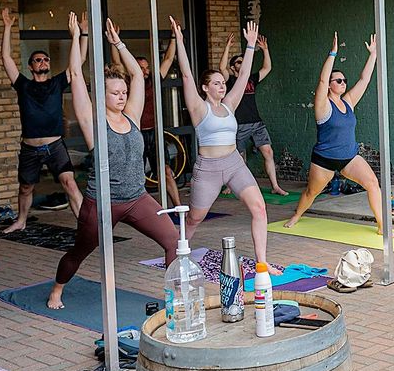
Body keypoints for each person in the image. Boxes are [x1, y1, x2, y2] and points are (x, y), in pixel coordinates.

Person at [46, 14, 182, 309]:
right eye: (115, 93)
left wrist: (118, 43)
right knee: (79, 252)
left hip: (137, 198)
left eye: (123, 92)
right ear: (102, 94)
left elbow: (137, 74)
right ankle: (57, 288)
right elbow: (76, 75)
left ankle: (175, 297)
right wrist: (76, 38)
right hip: (101, 203)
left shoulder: (131, 115)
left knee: (174, 240)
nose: (122, 97)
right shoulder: (92, 121)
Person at [170, 16, 277, 271]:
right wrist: (180, 42)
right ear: (205, 88)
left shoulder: (229, 105)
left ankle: (262, 262)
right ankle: (174, 259)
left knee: (259, 208)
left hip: (234, 164)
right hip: (208, 168)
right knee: (195, 218)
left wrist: (251, 46)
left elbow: (241, 80)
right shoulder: (199, 108)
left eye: (222, 82)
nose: (222, 86)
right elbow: (185, 75)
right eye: (216, 83)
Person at [284, 32, 387, 234]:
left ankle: (382, 225)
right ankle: (297, 215)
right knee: (311, 192)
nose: (342, 83)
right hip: (324, 160)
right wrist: (333, 53)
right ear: (330, 85)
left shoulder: (348, 102)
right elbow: (322, 82)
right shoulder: (323, 106)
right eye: (338, 80)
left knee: (373, 183)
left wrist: (373, 54)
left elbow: (364, 80)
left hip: (349, 156)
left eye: (344, 80)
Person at [0, 7, 85, 232]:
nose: (43, 62)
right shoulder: (23, 85)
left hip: (55, 145)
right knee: (26, 188)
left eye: (46, 59)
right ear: (31, 66)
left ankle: (86, 226)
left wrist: (80, 35)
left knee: (70, 183)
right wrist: (8, 27)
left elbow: (78, 63)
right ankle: (21, 220)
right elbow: (6, 58)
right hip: (30, 147)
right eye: (38, 60)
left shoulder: (57, 82)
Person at [113, 40, 183, 212]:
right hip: (135, 134)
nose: (144, 71)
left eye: (146, 67)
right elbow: (117, 62)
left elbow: (167, 59)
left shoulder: (154, 80)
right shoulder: (128, 83)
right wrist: (114, 42)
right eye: (140, 67)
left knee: (165, 170)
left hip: (154, 133)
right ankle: (139, 209)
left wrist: (174, 38)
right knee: (135, 174)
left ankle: (179, 208)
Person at [219, 33, 290, 196]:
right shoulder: (229, 80)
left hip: (257, 123)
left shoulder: (251, 79)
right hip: (239, 125)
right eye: (238, 62)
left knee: (268, 152)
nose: (242, 63)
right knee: (239, 159)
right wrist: (227, 47)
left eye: (243, 61)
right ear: (233, 67)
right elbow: (222, 68)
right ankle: (231, 185)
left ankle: (275, 186)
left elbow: (267, 68)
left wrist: (265, 50)